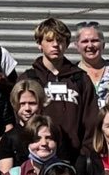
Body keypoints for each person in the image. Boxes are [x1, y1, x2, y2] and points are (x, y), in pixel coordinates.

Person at [21, 19, 99, 161]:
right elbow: (19, 119)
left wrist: (85, 156)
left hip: (74, 157)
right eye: (49, 40)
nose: (56, 45)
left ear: (67, 44)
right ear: (39, 44)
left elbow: (91, 122)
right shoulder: (28, 79)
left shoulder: (80, 79)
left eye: (60, 40)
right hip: (36, 155)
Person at [0, 79, 48, 171]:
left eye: (32, 103)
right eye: (22, 104)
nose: (27, 108)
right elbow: (5, 174)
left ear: (41, 104)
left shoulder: (52, 133)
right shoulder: (9, 138)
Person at [72, 22, 109, 107]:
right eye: (85, 41)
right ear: (77, 46)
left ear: (103, 44)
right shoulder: (71, 75)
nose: (90, 45)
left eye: (94, 41)